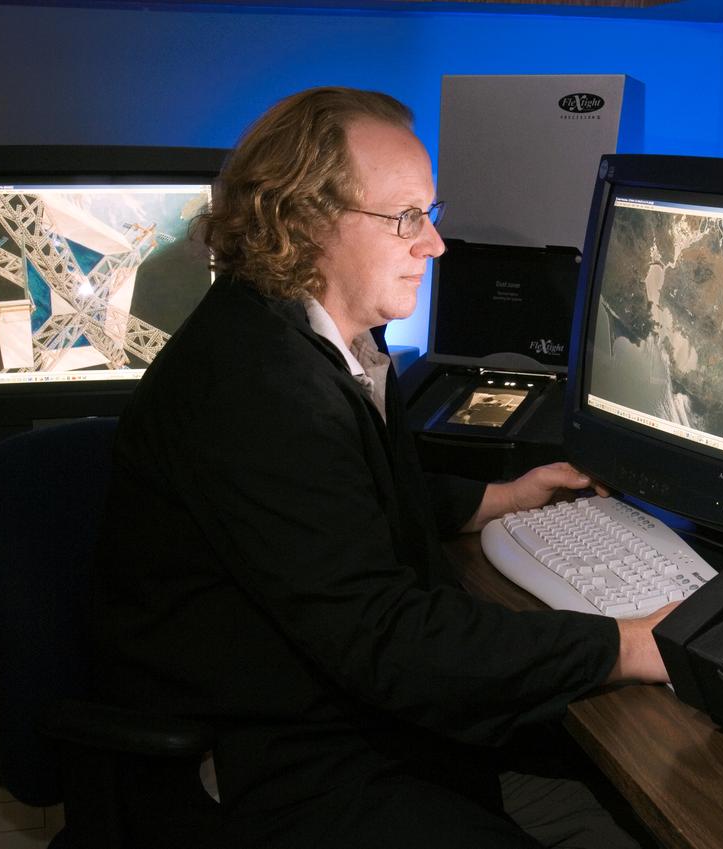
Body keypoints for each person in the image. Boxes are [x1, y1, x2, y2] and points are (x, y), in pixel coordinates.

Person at [91, 87, 673, 849]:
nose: (433, 245)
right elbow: (389, 641)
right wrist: (628, 644)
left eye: (430, 215)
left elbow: (337, 499)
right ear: (302, 221)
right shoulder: (254, 386)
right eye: (407, 218)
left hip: (332, 711)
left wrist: (495, 497)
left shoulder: (313, 336)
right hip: (267, 757)